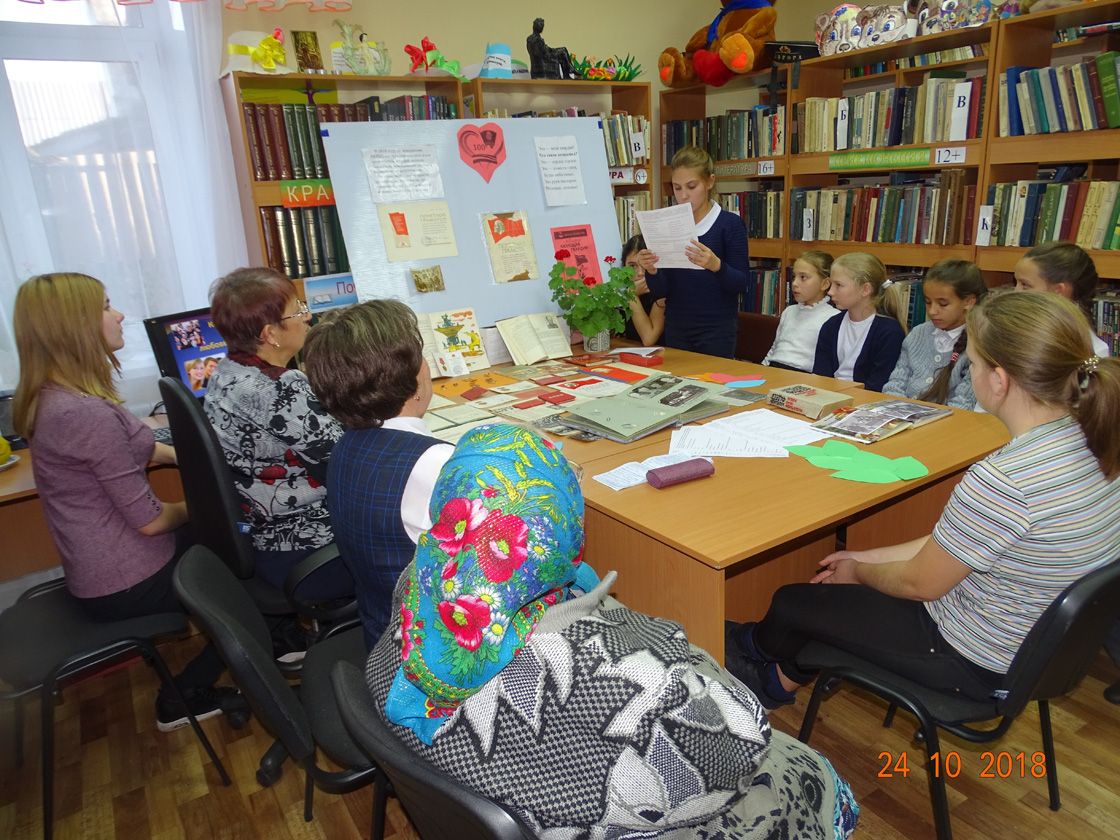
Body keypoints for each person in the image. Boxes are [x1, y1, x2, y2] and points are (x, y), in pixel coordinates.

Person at [366, 423, 860, 838]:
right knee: (806, 771)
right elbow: (741, 747)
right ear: (558, 534)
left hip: (477, 781)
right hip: (577, 821)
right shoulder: (621, 677)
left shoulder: (416, 587)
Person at [726, 292, 1120, 710]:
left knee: (794, 600)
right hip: (1035, 644)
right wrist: (869, 557)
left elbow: (919, 584)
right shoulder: (1096, 441)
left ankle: (755, 660)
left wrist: (858, 571)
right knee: (824, 600)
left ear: (999, 380)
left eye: (974, 363)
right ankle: (774, 676)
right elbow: (957, 544)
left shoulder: (1005, 480)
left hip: (970, 658)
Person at [12, 273, 244, 731]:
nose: (119, 315)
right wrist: (206, 504)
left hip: (103, 564)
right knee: (245, 555)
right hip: (126, 579)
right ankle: (184, 695)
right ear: (72, 327)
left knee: (235, 531)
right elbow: (152, 521)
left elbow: (141, 444)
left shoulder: (62, 394)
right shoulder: (84, 413)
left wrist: (199, 460)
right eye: (106, 306)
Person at [303, 300, 453, 650]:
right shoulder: (436, 463)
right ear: (413, 375)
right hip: (432, 660)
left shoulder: (346, 445)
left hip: (380, 638)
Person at [205, 267, 352, 602]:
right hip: (307, 548)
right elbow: (347, 466)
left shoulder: (226, 372)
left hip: (262, 535)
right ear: (270, 334)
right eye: (298, 311)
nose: (308, 316)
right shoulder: (280, 388)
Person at [636, 146, 749, 358]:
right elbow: (661, 291)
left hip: (717, 329)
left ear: (710, 182)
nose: (684, 195)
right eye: (677, 188)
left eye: (691, 186)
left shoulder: (729, 224)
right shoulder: (668, 223)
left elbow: (741, 283)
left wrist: (716, 265)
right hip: (677, 327)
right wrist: (652, 270)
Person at [884, 259, 988, 409]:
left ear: (969, 302)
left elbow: (963, 404)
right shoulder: (918, 333)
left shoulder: (977, 345)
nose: (932, 311)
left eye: (943, 304)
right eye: (927, 302)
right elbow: (895, 384)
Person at [812, 252, 905, 391]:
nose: (830, 292)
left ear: (865, 289)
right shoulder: (830, 326)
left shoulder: (889, 332)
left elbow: (878, 387)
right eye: (831, 284)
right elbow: (821, 377)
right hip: (829, 398)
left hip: (865, 405)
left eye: (838, 285)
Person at [1014, 240, 1110, 357]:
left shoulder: (1093, 351)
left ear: (1058, 291)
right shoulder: (1016, 331)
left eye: (1025, 285)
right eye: (1016, 283)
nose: (1015, 292)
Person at [762, 250, 836, 372]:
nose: (795, 283)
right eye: (793, 277)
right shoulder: (789, 311)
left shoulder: (833, 318)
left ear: (825, 284)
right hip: (774, 370)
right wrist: (762, 368)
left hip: (803, 376)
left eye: (803, 277)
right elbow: (775, 348)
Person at [620, 234, 666, 345]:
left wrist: (631, 295)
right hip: (631, 352)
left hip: (666, 356)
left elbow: (648, 339)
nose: (640, 273)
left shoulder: (661, 291)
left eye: (645, 265)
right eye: (632, 266)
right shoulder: (620, 290)